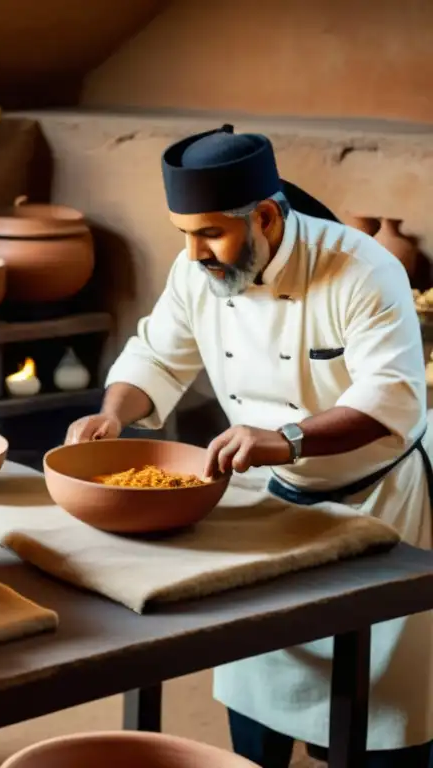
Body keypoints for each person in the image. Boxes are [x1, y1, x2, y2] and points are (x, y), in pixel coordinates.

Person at [66, 124, 433, 768]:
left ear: (265, 216)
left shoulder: (362, 269)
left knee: (379, 719)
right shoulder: (194, 269)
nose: (194, 251)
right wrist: (112, 414)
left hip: (379, 505)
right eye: (184, 232)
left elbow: (393, 399)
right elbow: (159, 351)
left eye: (209, 232)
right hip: (269, 506)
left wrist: (285, 438)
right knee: (260, 691)